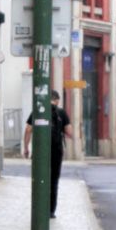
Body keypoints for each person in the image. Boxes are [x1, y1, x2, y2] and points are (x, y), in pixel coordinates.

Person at [22, 88, 73, 217]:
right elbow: (70, 133)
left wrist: (26, 147)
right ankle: (51, 211)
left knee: (39, 178)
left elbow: (28, 130)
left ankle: (39, 208)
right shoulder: (61, 113)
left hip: (40, 151)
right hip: (56, 151)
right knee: (54, 181)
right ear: (56, 100)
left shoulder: (38, 111)